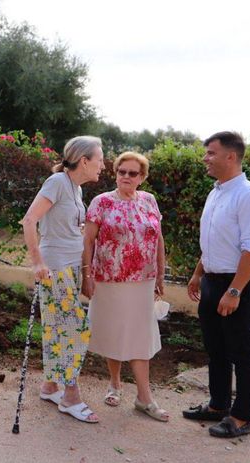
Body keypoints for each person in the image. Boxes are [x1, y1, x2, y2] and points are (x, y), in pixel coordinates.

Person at [182, 131, 250, 438]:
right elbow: (213, 242)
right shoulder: (216, 192)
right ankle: (218, 405)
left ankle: (241, 417)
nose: (205, 158)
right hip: (212, 279)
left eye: (210, 153)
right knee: (216, 349)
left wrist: (235, 291)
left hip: (239, 285)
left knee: (241, 352)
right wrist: (198, 274)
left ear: (230, 157)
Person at [21, 135, 105, 424]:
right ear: (84, 161)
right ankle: (70, 395)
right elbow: (29, 220)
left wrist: (84, 272)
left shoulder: (75, 188)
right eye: (100, 159)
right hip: (54, 267)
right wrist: (37, 263)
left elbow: (76, 234)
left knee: (58, 328)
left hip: (68, 268)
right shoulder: (57, 182)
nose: (103, 165)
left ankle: (50, 385)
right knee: (75, 329)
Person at [81, 152, 169, 422]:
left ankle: (144, 397)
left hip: (142, 281)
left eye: (133, 173)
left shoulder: (149, 201)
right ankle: (115, 384)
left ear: (142, 177)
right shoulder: (102, 202)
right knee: (114, 333)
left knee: (139, 336)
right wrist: (87, 275)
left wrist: (160, 274)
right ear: (115, 173)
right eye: (122, 172)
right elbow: (88, 242)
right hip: (109, 279)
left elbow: (159, 240)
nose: (126, 177)